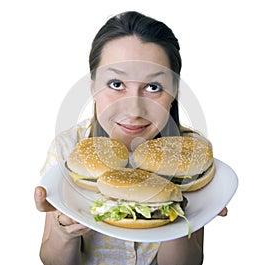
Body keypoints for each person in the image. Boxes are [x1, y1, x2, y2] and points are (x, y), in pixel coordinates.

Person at [34, 11, 228, 265]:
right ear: (93, 86)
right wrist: (64, 228)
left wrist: (185, 213)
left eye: (153, 87)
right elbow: (53, 260)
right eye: (116, 84)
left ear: (175, 91)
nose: (134, 110)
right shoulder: (70, 148)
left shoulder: (190, 156)